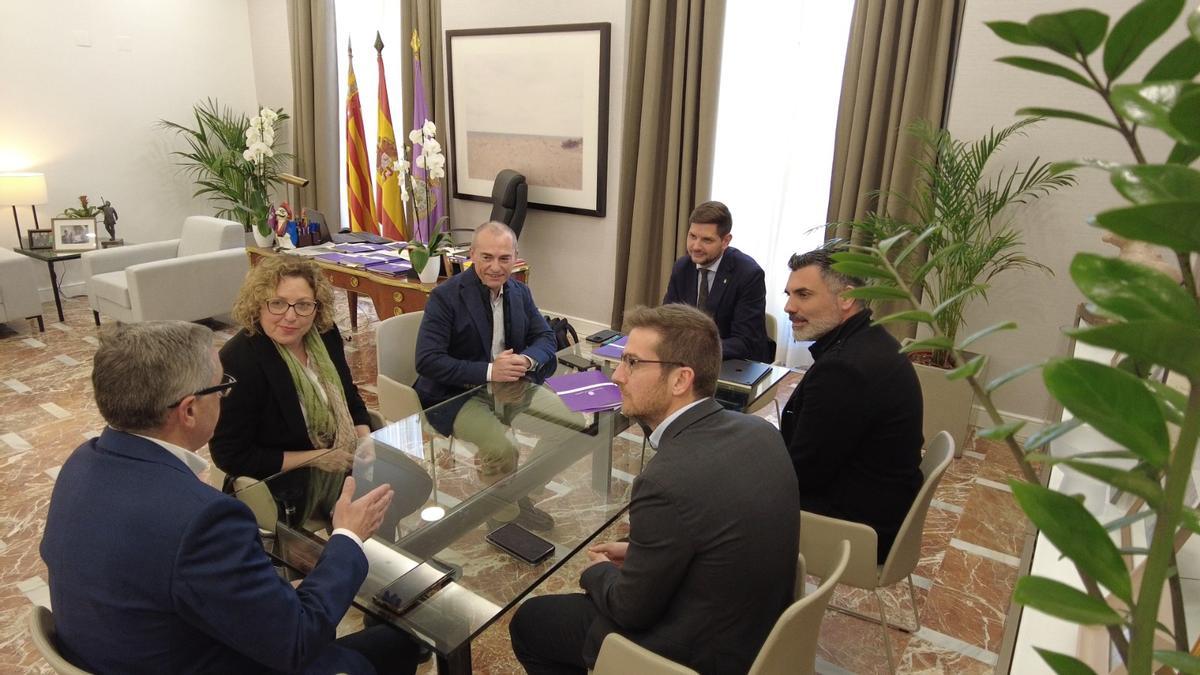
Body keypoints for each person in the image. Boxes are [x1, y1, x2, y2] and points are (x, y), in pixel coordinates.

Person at [40, 321, 419, 674]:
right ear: (189, 410)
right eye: (221, 388)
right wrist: (348, 537)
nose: (226, 397)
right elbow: (296, 642)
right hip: (211, 659)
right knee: (399, 642)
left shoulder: (81, 463)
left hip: (133, 648)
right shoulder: (203, 520)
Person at [509, 304, 799, 674]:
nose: (617, 376)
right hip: (759, 636)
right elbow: (715, 535)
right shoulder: (762, 433)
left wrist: (596, 572)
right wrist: (643, 552)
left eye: (632, 363)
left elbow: (629, 608)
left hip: (695, 656)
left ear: (680, 380)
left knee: (531, 621)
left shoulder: (665, 480)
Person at [780, 247, 924, 562]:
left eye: (803, 295)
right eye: (789, 294)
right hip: (880, 504)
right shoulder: (870, 339)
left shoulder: (844, 370)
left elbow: (801, 475)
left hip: (859, 530)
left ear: (847, 297)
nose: (789, 307)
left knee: (718, 496)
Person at [211, 255, 369, 527]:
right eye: (278, 303)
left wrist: (365, 436)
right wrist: (317, 459)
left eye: (304, 305)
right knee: (371, 508)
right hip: (283, 482)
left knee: (408, 487)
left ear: (317, 308)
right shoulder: (239, 360)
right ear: (258, 304)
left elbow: (348, 395)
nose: (291, 316)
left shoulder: (325, 334)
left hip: (343, 461)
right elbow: (231, 455)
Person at [413, 221, 556, 408]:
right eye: (487, 258)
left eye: (504, 259)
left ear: (515, 258)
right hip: (454, 398)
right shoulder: (445, 296)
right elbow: (428, 361)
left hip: (511, 393)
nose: (495, 268)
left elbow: (546, 337)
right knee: (501, 439)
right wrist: (491, 371)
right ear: (472, 255)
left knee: (574, 424)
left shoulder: (520, 292)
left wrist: (524, 360)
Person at [662, 201, 770, 362]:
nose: (695, 247)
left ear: (725, 241)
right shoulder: (682, 267)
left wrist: (695, 350)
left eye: (706, 240)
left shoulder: (749, 274)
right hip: (686, 359)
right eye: (692, 236)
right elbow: (667, 320)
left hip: (730, 363)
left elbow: (745, 342)